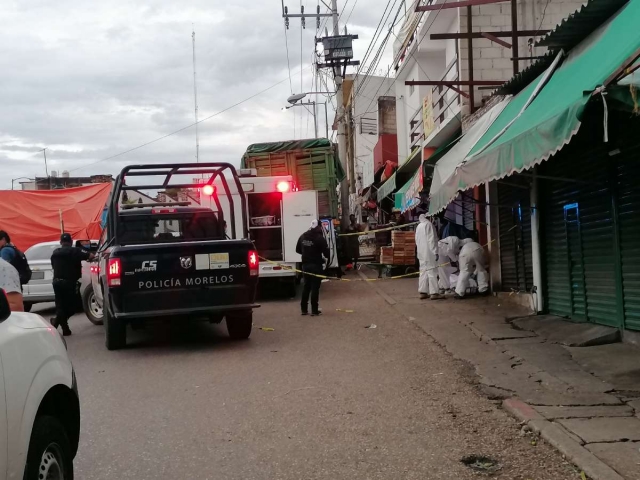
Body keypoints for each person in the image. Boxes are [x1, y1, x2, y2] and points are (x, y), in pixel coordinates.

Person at [50, 233, 94, 336]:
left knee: (60, 306)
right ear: (71, 242)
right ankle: (57, 321)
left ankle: (65, 329)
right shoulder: (75, 251)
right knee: (75, 306)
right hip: (69, 283)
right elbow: (91, 255)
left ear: (61, 242)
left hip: (56, 282)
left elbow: (53, 266)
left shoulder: (55, 252)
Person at [296, 219, 330, 316]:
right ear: (319, 227)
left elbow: (298, 250)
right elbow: (327, 254)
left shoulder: (303, 236)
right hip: (316, 265)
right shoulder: (319, 238)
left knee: (306, 286)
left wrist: (307, 254)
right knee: (315, 287)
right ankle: (314, 310)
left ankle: (304, 309)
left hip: (305, 265)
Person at [415, 214, 444, 300]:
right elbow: (431, 240)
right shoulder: (429, 225)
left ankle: (422, 292)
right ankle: (434, 293)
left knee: (423, 272)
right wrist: (435, 252)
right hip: (429, 253)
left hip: (421, 253)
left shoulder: (419, 226)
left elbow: (417, 240)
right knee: (432, 272)